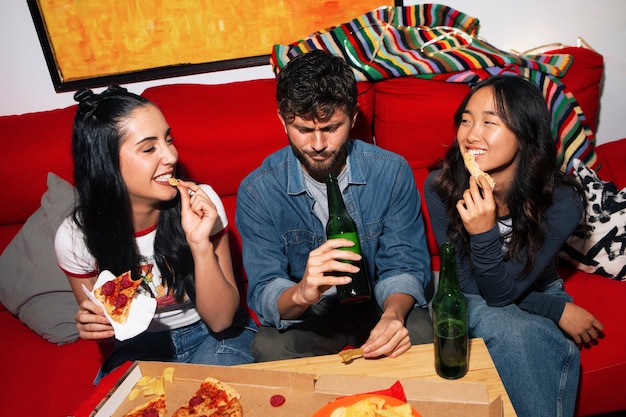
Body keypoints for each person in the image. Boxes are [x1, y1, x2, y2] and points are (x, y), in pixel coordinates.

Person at [235, 50, 433, 362]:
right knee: (269, 347)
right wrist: (302, 292)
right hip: (312, 313)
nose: (317, 145)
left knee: (419, 330)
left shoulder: (391, 171)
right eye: (303, 130)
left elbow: (404, 264)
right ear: (282, 120)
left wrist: (393, 317)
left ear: (353, 117)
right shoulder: (258, 191)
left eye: (331, 128)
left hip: (378, 299)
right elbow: (264, 289)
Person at [424, 75, 604, 417]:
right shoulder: (441, 186)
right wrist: (556, 310)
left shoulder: (561, 200)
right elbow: (471, 286)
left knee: (526, 337)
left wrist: (550, 303)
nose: (471, 134)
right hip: (467, 290)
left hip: (534, 285)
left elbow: (512, 287)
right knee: (508, 328)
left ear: (525, 134)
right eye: (466, 120)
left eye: (489, 122)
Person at [55, 85, 257, 383]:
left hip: (213, 335)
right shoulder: (75, 236)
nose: (171, 155)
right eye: (149, 148)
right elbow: (112, 327)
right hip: (139, 346)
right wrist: (94, 324)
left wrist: (199, 244)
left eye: (168, 139)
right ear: (105, 163)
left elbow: (221, 320)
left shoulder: (204, 203)